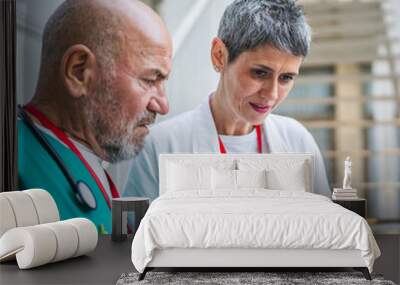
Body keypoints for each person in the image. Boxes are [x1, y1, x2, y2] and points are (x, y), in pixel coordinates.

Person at [124, 0, 331, 200]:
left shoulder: (298, 141)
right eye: (259, 73)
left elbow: (325, 229)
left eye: (286, 78)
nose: (272, 94)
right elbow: (137, 233)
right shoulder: (159, 146)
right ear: (220, 56)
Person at [18, 0, 172, 233]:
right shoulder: (18, 163)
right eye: (150, 80)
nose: (163, 106)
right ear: (79, 71)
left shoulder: (83, 159)